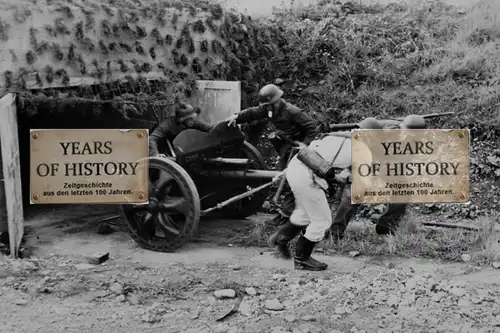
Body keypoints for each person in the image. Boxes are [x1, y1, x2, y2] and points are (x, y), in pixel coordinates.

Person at [267, 118, 382, 271]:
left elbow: (309, 153)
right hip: (307, 178)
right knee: (322, 220)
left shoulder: (335, 136)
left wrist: (284, 173)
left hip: (297, 168)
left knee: (305, 214)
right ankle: (302, 259)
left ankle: (281, 238)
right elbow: (350, 177)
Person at [226, 84, 320, 225]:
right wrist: (237, 117)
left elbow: (313, 127)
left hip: (299, 149)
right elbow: (253, 112)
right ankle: (291, 214)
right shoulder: (269, 109)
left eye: (269, 104)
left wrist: (305, 145)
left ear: (277, 100)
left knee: (292, 180)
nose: (267, 108)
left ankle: (286, 216)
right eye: (266, 105)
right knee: (285, 178)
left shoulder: (292, 111)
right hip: (287, 147)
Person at [328, 115, 428, 241]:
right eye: (406, 133)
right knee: (353, 193)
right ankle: (334, 234)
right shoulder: (382, 131)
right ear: (401, 127)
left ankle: (385, 229)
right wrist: (348, 170)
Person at [149, 103, 215, 157]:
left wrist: (223, 123)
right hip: (163, 151)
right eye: (191, 119)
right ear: (183, 119)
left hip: (177, 151)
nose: (194, 121)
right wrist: (155, 154)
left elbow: (209, 128)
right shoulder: (167, 124)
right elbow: (151, 138)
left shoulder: (191, 123)